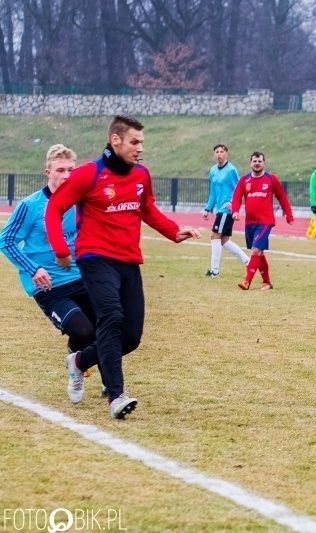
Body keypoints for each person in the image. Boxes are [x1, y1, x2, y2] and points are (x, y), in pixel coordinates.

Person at [45, 115, 201, 419]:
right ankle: (116, 397)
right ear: (115, 141)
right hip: (95, 257)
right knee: (111, 318)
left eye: (141, 142)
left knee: (130, 336)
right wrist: (62, 251)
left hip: (129, 260)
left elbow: (147, 209)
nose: (140, 148)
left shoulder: (141, 174)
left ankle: (79, 362)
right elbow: (55, 208)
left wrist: (173, 232)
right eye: (134, 142)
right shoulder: (88, 173)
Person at [0, 144, 102, 402]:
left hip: (82, 278)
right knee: (84, 332)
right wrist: (33, 268)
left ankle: (112, 384)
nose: (66, 175)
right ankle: (77, 362)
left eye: (71, 169)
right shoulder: (31, 205)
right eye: (60, 170)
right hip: (50, 287)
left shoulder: (82, 203)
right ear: (48, 172)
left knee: (110, 327)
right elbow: (6, 240)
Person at [231, 151, 294, 290]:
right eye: (254, 161)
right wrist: (235, 211)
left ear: (264, 163)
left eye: (260, 161)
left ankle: (247, 281)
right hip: (250, 222)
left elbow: (282, 197)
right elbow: (236, 197)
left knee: (255, 251)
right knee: (259, 253)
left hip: (265, 221)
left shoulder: (271, 179)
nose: (257, 163)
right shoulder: (244, 180)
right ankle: (267, 282)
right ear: (250, 163)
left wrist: (289, 215)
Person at [202, 144, 249, 277]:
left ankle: (214, 271)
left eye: (221, 152)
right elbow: (213, 192)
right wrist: (208, 208)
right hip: (219, 209)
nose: (219, 154)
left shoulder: (231, 170)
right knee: (223, 240)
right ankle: (248, 262)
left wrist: (233, 203)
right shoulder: (213, 170)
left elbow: (239, 189)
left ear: (226, 154)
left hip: (226, 209)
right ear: (214, 155)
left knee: (214, 236)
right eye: (216, 152)